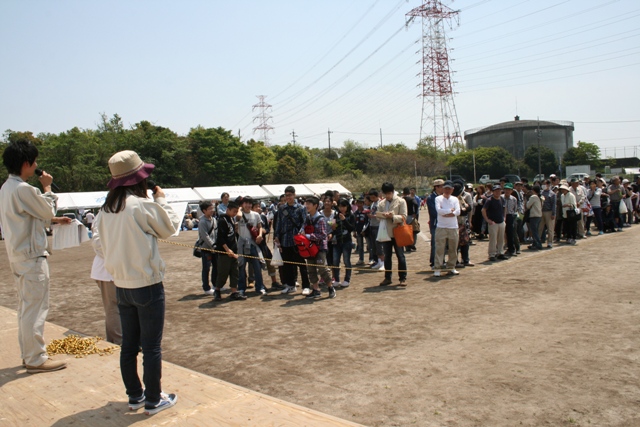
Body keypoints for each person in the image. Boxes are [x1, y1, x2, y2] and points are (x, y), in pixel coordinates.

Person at [93, 150, 181, 414]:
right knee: (152, 346)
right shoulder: (139, 205)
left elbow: (99, 246)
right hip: (147, 284)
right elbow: (169, 227)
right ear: (138, 178)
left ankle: (136, 395)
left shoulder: (106, 209)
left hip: (120, 284)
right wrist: (162, 199)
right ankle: (154, 399)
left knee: (129, 344)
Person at [0, 138, 72, 374]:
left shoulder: (7, 188)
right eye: (34, 162)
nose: (36, 166)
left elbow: (29, 215)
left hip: (18, 254)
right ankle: (35, 357)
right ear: (26, 163)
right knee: (36, 307)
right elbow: (46, 208)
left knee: (26, 306)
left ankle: (29, 354)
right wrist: (48, 188)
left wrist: (51, 219)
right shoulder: (24, 189)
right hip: (31, 256)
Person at [90, 214, 122, 345]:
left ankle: (124, 341)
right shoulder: (104, 214)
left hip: (122, 270)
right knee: (113, 308)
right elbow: (98, 244)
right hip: (107, 271)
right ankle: (119, 342)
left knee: (124, 308)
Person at [274, 186, 310, 295]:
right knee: (287, 265)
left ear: (294, 195)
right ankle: (290, 285)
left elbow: (305, 222)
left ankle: (306, 286)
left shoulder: (301, 208)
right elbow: (278, 223)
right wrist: (276, 236)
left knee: (301, 264)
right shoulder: (281, 208)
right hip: (285, 239)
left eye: (290, 195)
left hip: (297, 240)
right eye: (286, 195)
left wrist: (301, 233)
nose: (288, 197)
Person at [303, 196, 337, 299]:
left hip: (320, 248)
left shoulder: (320, 219)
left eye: (309, 204)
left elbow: (323, 235)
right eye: (306, 203)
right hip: (309, 248)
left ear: (316, 206)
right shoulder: (307, 217)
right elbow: (303, 228)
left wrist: (308, 236)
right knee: (311, 269)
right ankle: (316, 289)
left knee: (322, 269)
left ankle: (331, 288)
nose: (307, 206)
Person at [376, 182, 408, 286]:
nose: (387, 195)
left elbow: (404, 216)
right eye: (385, 194)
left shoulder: (401, 201)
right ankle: (387, 278)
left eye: (389, 193)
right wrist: (383, 215)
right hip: (386, 233)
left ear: (393, 192)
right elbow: (377, 216)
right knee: (387, 256)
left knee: (400, 256)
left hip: (398, 231)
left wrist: (392, 216)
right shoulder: (381, 203)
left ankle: (402, 278)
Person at [213, 201, 245, 301]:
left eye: (236, 211)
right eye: (234, 211)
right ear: (228, 209)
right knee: (223, 272)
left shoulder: (231, 219)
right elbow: (220, 238)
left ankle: (234, 291)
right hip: (224, 251)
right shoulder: (222, 220)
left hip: (234, 250)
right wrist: (227, 250)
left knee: (234, 272)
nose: (235, 213)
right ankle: (217, 290)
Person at [237, 196, 267, 296]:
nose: (248, 205)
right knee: (241, 266)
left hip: (253, 244)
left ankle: (260, 287)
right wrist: (240, 210)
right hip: (242, 244)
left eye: (250, 203)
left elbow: (260, 226)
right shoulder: (239, 215)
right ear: (242, 204)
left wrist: (259, 235)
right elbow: (236, 221)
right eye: (246, 203)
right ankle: (241, 288)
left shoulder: (256, 215)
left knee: (257, 266)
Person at [433, 181, 460, 277]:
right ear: (443, 189)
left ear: (452, 189)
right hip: (441, 227)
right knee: (440, 249)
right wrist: (450, 211)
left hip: (453, 227)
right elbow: (439, 211)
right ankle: (437, 268)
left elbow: (458, 211)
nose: (447, 190)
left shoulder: (455, 199)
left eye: (449, 188)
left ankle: (451, 267)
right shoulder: (438, 199)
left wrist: (449, 213)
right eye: (446, 188)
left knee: (453, 248)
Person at [331, 198, 355, 288]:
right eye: (340, 206)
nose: (342, 208)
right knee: (335, 261)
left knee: (346, 261)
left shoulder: (351, 216)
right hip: (336, 241)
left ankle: (347, 280)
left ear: (347, 206)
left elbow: (351, 228)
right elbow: (333, 227)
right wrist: (332, 227)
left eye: (344, 206)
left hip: (347, 241)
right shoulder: (336, 216)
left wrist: (344, 220)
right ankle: (336, 280)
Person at [482, 185, 507, 261]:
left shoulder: (502, 199)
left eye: (499, 190)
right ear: (493, 192)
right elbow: (483, 210)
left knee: (501, 238)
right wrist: (487, 220)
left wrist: (504, 217)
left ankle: (500, 252)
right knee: (493, 239)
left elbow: (505, 208)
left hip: (501, 221)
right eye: (496, 191)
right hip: (493, 222)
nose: (498, 192)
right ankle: (492, 254)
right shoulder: (489, 200)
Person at [198, 201, 217, 296]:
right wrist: (212, 245)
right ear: (204, 210)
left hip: (215, 248)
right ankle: (206, 287)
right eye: (210, 209)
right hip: (206, 249)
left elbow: (216, 233)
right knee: (206, 268)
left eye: (212, 208)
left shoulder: (214, 219)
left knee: (216, 267)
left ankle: (215, 285)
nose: (212, 210)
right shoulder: (202, 222)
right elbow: (205, 236)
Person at [427, 179, 444, 268]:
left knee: (443, 243)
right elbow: (434, 212)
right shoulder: (431, 198)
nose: (443, 188)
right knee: (435, 243)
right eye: (441, 186)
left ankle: (442, 261)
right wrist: (445, 212)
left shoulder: (444, 197)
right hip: (435, 224)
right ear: (436, 187)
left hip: (444, 223)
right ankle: (433, 262)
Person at [366, 189, 384, 270]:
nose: (372, 199)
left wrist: (373, 216)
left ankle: (383, 263)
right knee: (374, 245)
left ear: (377, 196)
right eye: (371, 197)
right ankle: (378, 261)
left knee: (379, 245)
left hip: (378, 225)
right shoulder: (373, 203)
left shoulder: (380, 203)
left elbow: (382, 214)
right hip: (372, 225)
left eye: (373, 197)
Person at [539, 179, 556, 248]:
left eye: (545, 184)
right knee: (539, 228)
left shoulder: (552, 194)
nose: (544, 185)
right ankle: (537, 241)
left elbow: (554, 205)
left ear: (549, 185)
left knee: (550, 228)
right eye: (543, 184)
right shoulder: (540, 193)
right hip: (541, 212)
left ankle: (549, 242)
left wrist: (553, 214)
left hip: (549, 212)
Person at [526, 186, 543, 250]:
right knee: (536, 230)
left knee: (534, 231)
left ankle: (538, 244)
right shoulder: (541, 197)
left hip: (534, 216)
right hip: (539, 215)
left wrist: (527, 200)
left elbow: (528, 206)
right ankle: (534, 243)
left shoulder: (533, 197)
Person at [402, 187, 419, 252]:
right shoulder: (411, 198)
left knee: (405, 232)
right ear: (409, 193)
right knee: (413, 231)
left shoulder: (401, 199)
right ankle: (412, 244)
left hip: (403, 217)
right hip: (411, 216)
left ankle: (407, 246)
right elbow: (416, 204)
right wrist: (415, 213)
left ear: (403, 193)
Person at [353, 197, 369, 266]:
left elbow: (368, 222)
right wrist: (354, 231)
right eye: (358, 203)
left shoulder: (366, 212)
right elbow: (353, 223)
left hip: (366, 231)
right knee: (360, 246)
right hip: (358, 231)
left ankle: (372, 259)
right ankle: (361, 259)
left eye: (361, 203)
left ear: (363, 203)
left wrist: (365, 230)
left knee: (369, 245)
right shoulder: (355, 213)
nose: (359, 204)